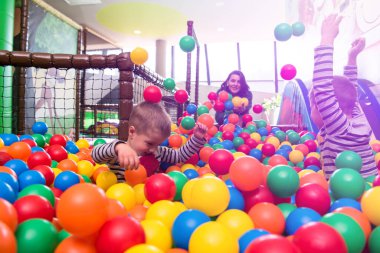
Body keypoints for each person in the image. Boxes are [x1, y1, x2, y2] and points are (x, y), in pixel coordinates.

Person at [309, 14, 378, 179]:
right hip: (371, 190)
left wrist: (327, 38)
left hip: (348, 198)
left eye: (314, 103)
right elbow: (351, 89)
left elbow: (322, 88)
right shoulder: (357, 118)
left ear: (322, 107)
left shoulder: (338, 127)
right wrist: (352, 57)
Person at [91, 101, 208, 182]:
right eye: (150, 143)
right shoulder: (118, 152)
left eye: (157, 144)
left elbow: (179, 155)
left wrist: (197, 139)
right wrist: (119, 147)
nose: (153, 149)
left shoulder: (158, 152)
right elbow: (95, 155)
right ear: (132, 132)